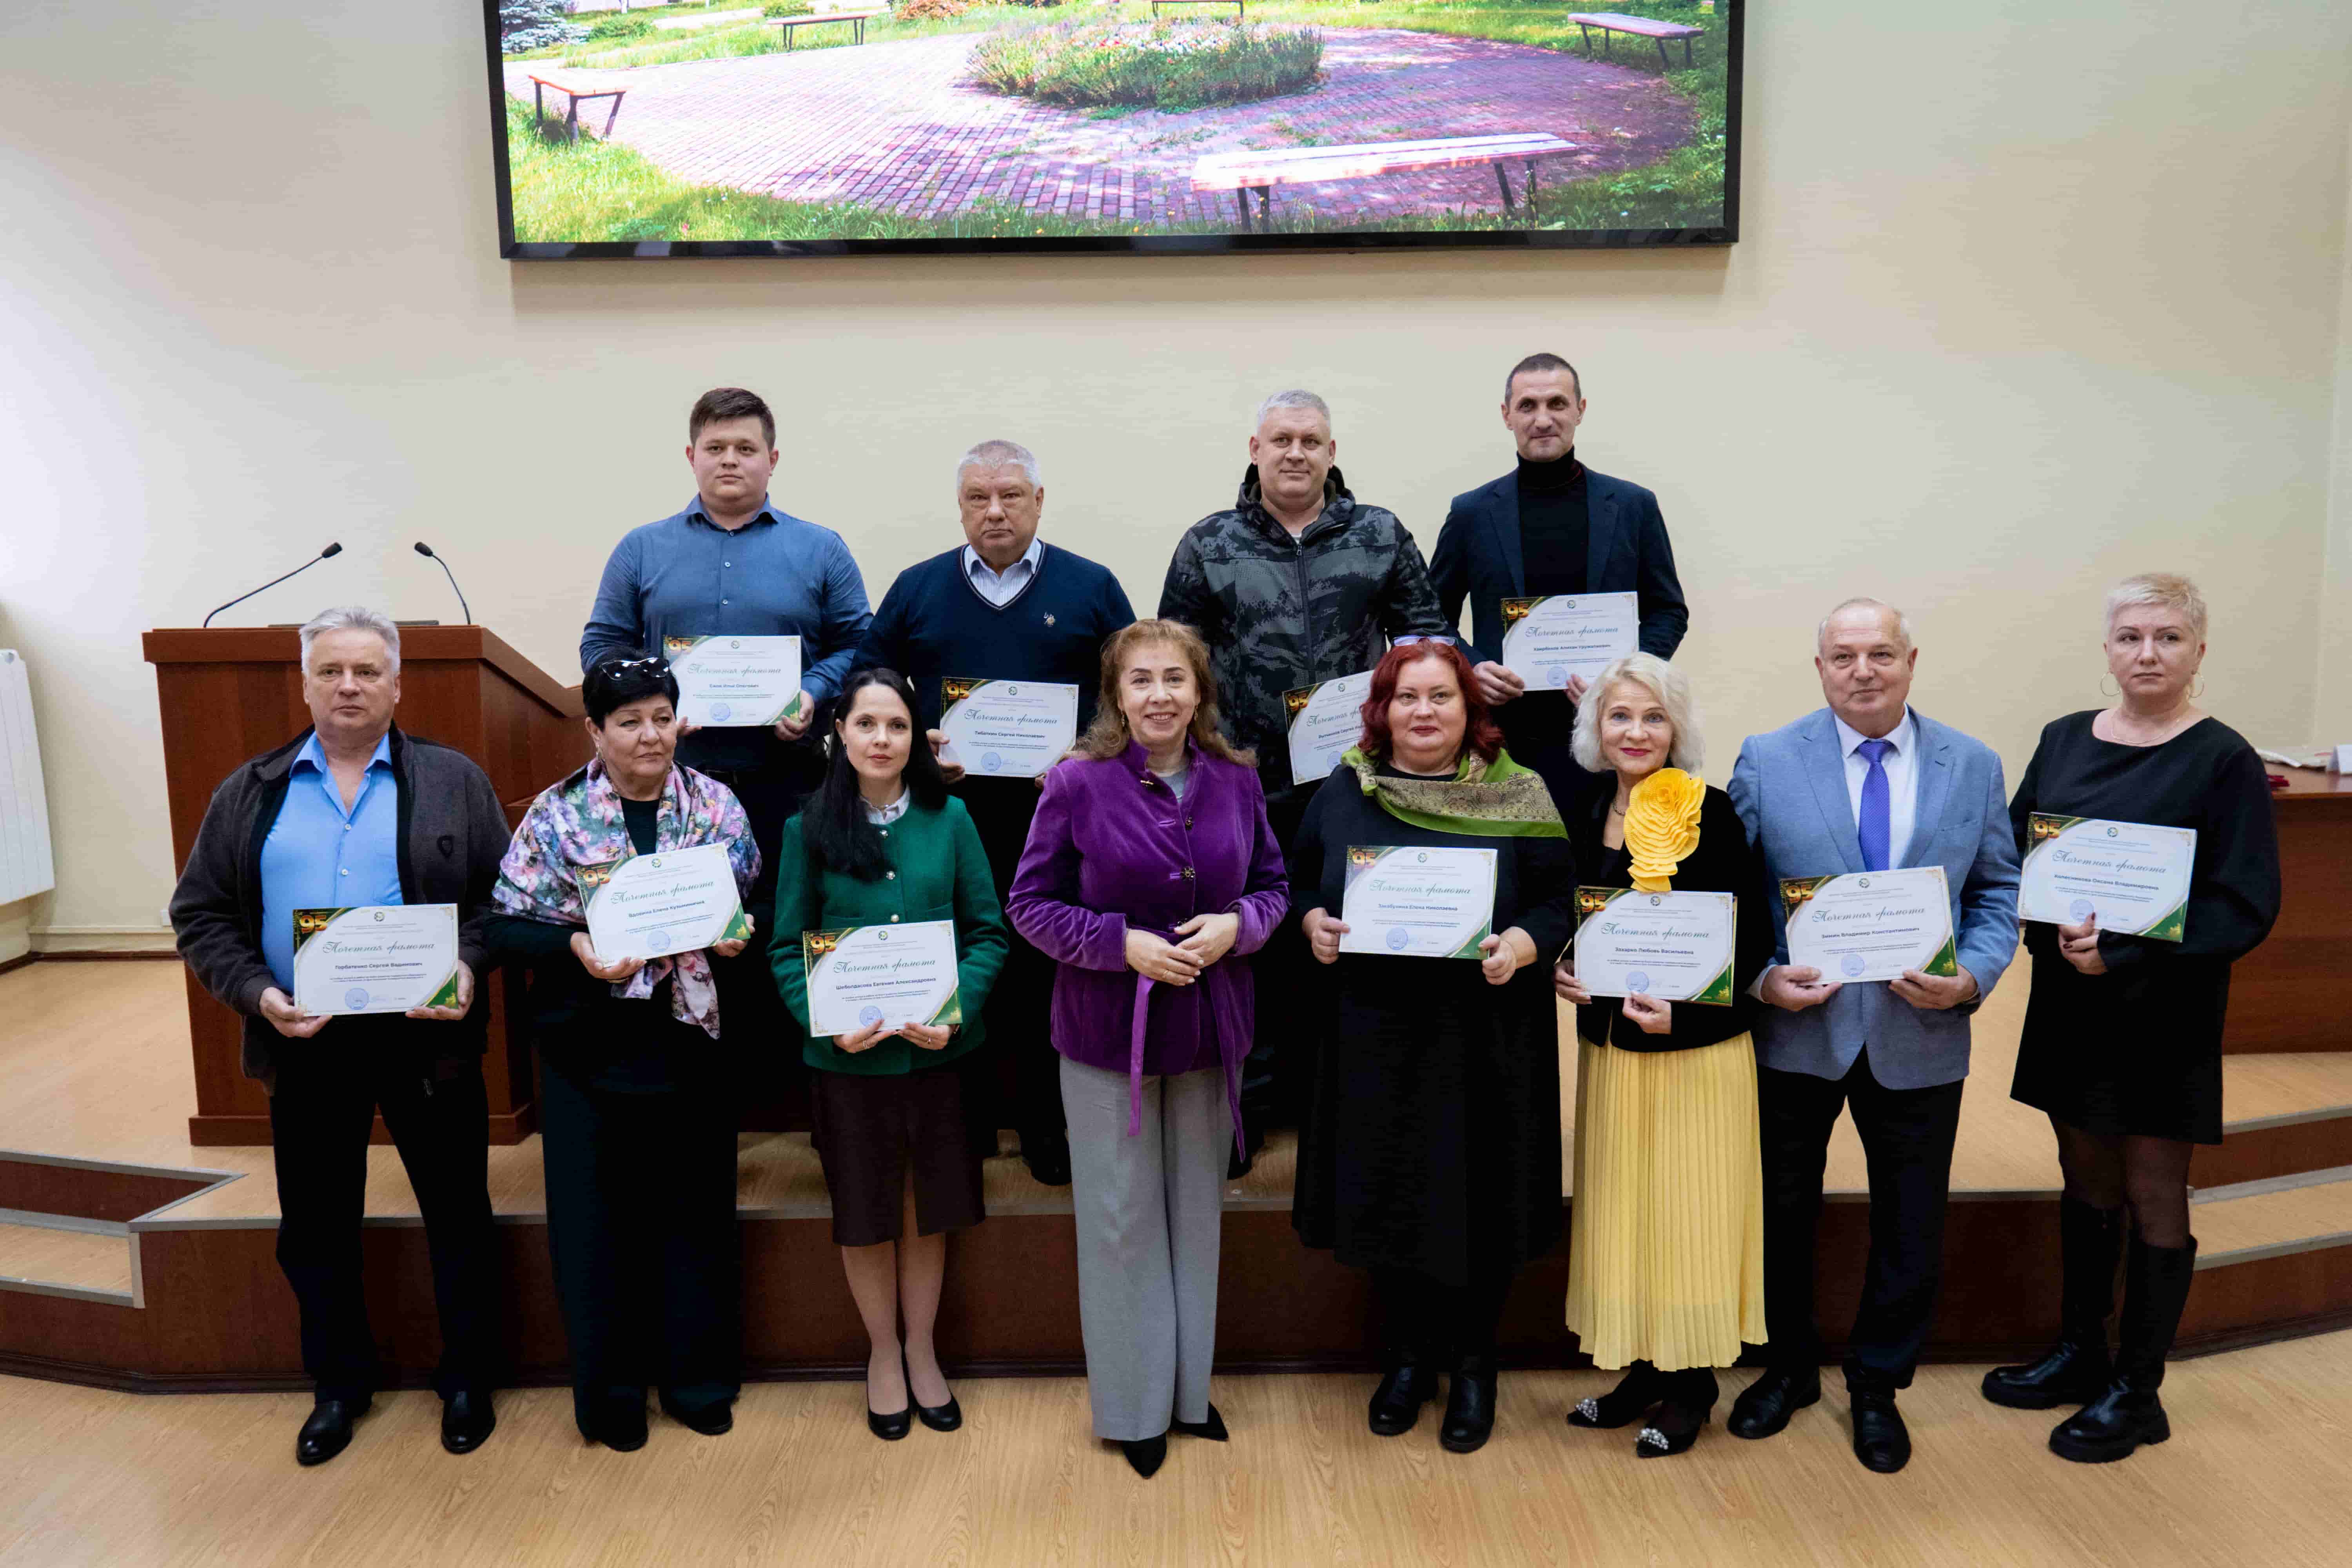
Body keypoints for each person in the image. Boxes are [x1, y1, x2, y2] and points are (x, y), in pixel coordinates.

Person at [168, 606, 508, 1466]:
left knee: (459, 1213)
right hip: (305, 1036)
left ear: (397, 683)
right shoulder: (252, 790)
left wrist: (467, 968)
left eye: (366, 670)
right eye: (331, 671)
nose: (348, 685)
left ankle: (468, 1376)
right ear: (306, 682)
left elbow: (504, 903)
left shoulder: (453, 779)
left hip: (426, 1036)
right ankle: (339, 1384)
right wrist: (257, 993)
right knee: (316, 1223)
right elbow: (200, 913)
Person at [1987, 573, 2279, 1463]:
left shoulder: (2223, 756)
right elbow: (2019, 845)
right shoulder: (2064, 737)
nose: (2146, 653)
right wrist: (2054, 931)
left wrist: (2127, 952)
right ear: (2107, 646)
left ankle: (2138, 1386)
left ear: (2198, 649)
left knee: (2155, 1189)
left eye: (2167, 637)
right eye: (2130, 636)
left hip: (2164, 1009)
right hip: (2073, 1001)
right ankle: (2083, 1350)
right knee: (2084, 1176)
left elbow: (2244, 899)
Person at [1724, 598, 2021, 1474]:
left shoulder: (1972, 763)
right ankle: (1788, 1370)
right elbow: (1733, 894)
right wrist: (1760, 978)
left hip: (1920, 1032)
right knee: (1781, 1211)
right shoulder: (1769, 758)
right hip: (1798, 1032)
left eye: (1881, 653)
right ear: (1818, 666)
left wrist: (1972, 977)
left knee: (1911, 1220)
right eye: (1844, 655)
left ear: (1911, 660)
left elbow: (1998, 892)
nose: (1863, 670)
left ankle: (1878, 1384)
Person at [1006, 620, 1289, 1479]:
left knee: (1195, 1215)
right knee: (1123, 1222)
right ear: (1117, 696)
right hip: (1103, 1041)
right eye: (1142, 680)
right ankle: (1134, 1408)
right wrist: (1117, 943)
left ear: (1200, 691)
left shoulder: (1238, 782)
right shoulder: (1074, 782)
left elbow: (1274, 887)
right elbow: (1031, 905)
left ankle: (1187, 1394)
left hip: (1210, 1033)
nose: (1160, 694)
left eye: (1175, 678)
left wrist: (1240, 924)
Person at [1290, 638, 1576, 1456]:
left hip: (1485, 1037)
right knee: (1390, 1190)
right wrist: (1313, 923)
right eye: (1408, 696)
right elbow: (1302, 882)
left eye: (1441, 696)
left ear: (1470, 708)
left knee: (1478, 1197)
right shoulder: (1348, 785)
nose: (1424, 711)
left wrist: (1522, 944)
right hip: (1376, 1033)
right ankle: (1409, 1358)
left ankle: (1476, 1362)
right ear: (1383, 709)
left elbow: (1562, 897)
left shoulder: (1519, 790)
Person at [1158, 388, 1450, 1167]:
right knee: (1245, 946)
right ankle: (1243, 1112)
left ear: (1331, 450)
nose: (1295, 452)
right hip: (1237, 782)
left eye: (1310, 440)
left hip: (1354, 783)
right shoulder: (1208, 542)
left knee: (1342, 943)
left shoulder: (1380, 532)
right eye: (1281, 438)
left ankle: (1337, 1117)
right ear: (1254, 446)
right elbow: (1172, 662)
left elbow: (1428, 638)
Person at [486, 654, 761, 1452]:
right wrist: (574, 941)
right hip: (587, 1048)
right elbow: (504, 926)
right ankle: (610, 1396)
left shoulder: (716, 803)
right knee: (594, 1227)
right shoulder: (555, 813)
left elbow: (754, 901)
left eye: (662, 716)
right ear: (595, 731)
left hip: (691, 1043)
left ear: (681, 719)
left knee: (697, 1218)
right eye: (629, 720)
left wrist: (742, 931)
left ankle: (697, 1382)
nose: (650, 734)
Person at [579, 387, 873, 1121]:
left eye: (746, 448)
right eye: (716, 448)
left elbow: (863, 645)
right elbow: (600, 646)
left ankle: (796, 1106)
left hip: (791, 783)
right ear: (691, 457)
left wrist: (812, 692)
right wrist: (657, 702)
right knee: (689, 936)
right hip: (674, 789)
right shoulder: (643, 548)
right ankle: (711, 1110)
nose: (731, 460)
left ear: (773, 459)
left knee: (787, 929)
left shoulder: (820, 548)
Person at [856, 440, 1136, 1185]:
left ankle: (1050, 1128)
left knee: (1052, 974)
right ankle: (967, 1126)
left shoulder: (1092, 586)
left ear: (1040, 501)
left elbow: (1130, 690)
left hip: (1066, 823)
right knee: (959, 964)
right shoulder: (918, 588)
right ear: (960, 507)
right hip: (949, 817)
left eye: (1011, 495)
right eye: (978, 497)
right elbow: (869, 680)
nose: (995, 511)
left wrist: (1086, 750)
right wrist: (919, 742)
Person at [771, 668, 1009, 1441]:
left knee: (927, 1210)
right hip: (850, 1063)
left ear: (918, 737)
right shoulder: (807, 827)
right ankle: (882, 1353)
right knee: (868, 1215)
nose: (881, 739)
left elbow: (988, 933)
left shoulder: (954, 817)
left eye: (897, 726)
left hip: (939, 1055)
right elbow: (784, 948)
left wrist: (957, 1007)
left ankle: (922, 1348)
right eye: (867, 724)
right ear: (840, 731)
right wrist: (823, 1020)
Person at [1551, 654, 1771, 1458]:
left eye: (1653, 716)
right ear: (1596, 731)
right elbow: (1567, 916)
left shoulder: (1712, 813)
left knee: (1690, 1213)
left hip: (1697, 1055)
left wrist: (1687, 1003)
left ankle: (1692, 1383)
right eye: (1619, 716)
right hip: (1612, 1053)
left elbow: (1750, 938)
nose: (1636, 731)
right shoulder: (1580, 808)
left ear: (1677, 729)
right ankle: (1643, 1368)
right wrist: (1561, 965)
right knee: (1627, 1209)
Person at [1430, 352, 1689, 801]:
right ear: (1507, 415)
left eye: (1557, 404)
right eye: (1528, 406)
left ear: (1580, 410)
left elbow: (1668, 610)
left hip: (1612, 736)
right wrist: (1472, 669)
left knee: (1608, 866)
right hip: (1504, 737)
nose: (1543, 419)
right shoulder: (1471, 513)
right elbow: (1431, 619)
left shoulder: (1632, 506)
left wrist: (1623, 681)